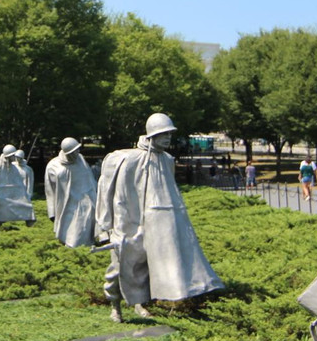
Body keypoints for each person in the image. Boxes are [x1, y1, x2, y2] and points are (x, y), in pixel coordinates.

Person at [96, 113, 224, 323]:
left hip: (158, 225)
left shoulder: (167, 160)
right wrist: (109, 228)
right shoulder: (130, 160)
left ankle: (139, 304)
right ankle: (115, 305)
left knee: (147, 267)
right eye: (163, 134)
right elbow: (116, 195)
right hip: (129, 224)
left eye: (169, 134)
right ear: (152, 135)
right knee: (120, 266)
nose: (167, 139)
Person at [44, 137, 96, 248]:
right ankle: (72, 252)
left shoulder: (81, 160)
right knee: (70, 232)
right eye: (74, 152)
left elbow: (89, 179)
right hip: (66, 206)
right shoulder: (53, 166)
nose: (77, 153)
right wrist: (52, 212)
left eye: (78, 150)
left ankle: (84, 251)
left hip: (86, 202)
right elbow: (50, 190)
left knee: (83, 232)